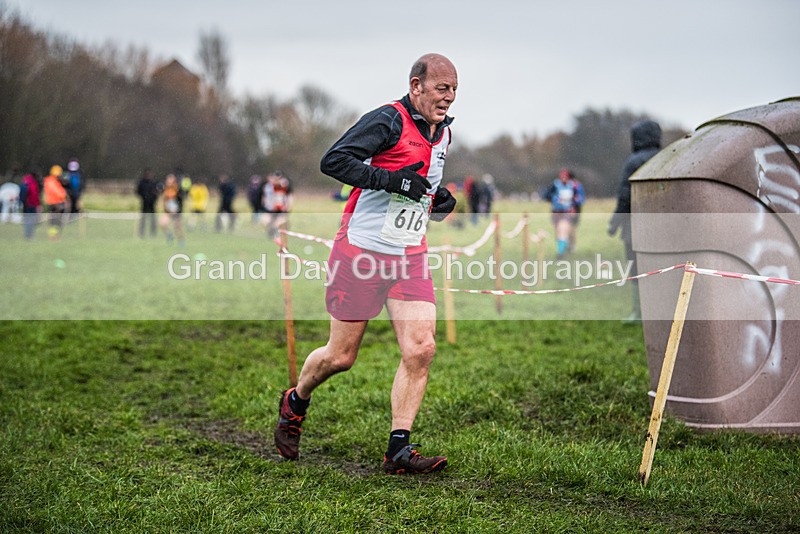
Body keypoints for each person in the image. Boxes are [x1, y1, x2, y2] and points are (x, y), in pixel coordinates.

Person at [274, 53, 458, 475]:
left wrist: (438, 199)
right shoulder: (387, 120)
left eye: (454, 91)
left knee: (422, 347)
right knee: (340, 356)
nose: (448, 98)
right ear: (416, 86)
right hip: (360, 251)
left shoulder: (443, 133)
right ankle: (296, 400)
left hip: (409, 253)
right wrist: (391, 180)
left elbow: (418, 186)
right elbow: (333, 161)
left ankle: (398, 449)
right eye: (441, 89)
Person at [609, 120, 662, 323]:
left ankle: (639, 313)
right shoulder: (668, 158)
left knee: (635, 268)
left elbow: (625, 196)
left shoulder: (633, 162)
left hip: (635, 225)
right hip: (663, 225)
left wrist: (614, 223)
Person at [545, 167, 584, 259]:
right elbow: (546, 195)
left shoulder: (574, 186)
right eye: (562, 177)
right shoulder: (555, 185)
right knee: (558, 232)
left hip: (567, 213)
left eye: (565, 177)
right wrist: (554, 199)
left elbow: (579, 199)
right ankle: (563, 246)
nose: (563, 179)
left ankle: (561, 252)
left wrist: (574, 207)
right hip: (556, 212)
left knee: (564, 230)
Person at [261, 170, 293, 239]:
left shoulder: (284, 186)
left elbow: (289, 196)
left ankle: (277, 233)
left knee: (280, 222)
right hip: (270, 208)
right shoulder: (267, 186)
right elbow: (265, 196)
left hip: (280, 209)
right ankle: (272, 232)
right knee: (266, 221)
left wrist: (288, 206)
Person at [159, 173, 185, 245]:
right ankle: (169, 235)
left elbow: (180, 202)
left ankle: (181, 241)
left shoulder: (178, 190)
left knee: (177, 228)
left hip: (176, 212)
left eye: (170, 180)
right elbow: (164, 201)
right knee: (162, 223)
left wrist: (177, 211)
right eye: (168, 180)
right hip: (168, 211)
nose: (168, 182)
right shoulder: (165, 189)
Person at [43, 165, 67, 239]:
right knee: (54, 220)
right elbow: (57, 192)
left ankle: (55, 234)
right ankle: (53, 235)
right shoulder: (51, 181)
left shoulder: (54, 181)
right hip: (55, 203)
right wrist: (63, 195)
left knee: (56, 220)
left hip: (56, 203)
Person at [136, 168, 160, 237]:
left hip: (152, 204)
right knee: (143, 219)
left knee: (153, 219)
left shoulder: (154, 183)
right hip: (144, 203)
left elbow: (158, 191)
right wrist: (144, 197)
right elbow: (138, 191)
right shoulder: (142, 183)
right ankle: (141, 233)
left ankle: (153, 233)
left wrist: (154, 197)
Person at [20, 172, 41, 239]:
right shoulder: (31, 183)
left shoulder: (28, 182)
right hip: (30, 205)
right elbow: (34, 195)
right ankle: (29, 235)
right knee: (30, 220)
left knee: (30, 220)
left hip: (29, 205)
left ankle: (29, 234)